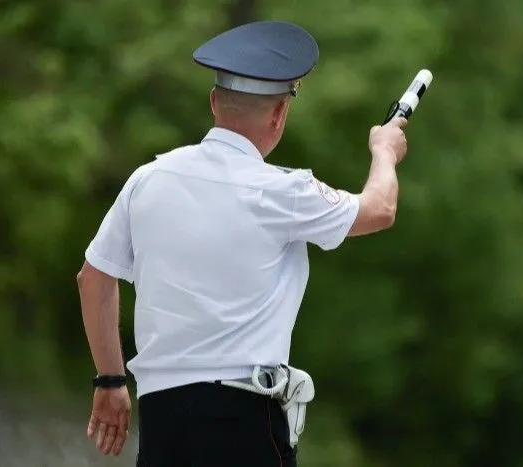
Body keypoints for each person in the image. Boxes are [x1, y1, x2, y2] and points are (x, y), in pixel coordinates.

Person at [76, 20, 408, 466]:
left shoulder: (147, 179)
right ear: (279, 114)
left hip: (162, 422)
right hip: (243, 418)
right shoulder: (281, 191)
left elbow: (93, 278)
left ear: (214, 102)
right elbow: (379, 209)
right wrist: (384, 151)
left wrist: (110, 381)